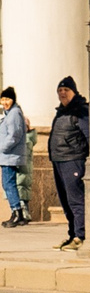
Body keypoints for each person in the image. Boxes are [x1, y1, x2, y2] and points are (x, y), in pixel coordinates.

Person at [48, 78, 88, 250]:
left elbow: (89, 136)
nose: (62, 93)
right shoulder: (61, 112)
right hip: (59, 160)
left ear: (74, 91)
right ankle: (72, 235)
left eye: (66, 90)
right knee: (66, 201)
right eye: (60, 90)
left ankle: (82, 236)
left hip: (73, 160)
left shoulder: (80, 111)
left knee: (76, 200)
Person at [0, 88, 28, 226]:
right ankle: (19, 214)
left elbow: (14, 135)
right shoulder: (9, 113)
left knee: (8, 184)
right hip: (8, 155)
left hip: (9, 155)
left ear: (13, 100)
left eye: (7, 99)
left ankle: (16, 212)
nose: (5, 102)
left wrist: (2, 148)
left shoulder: (14, 114)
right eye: (3, 99)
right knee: (9, 184)